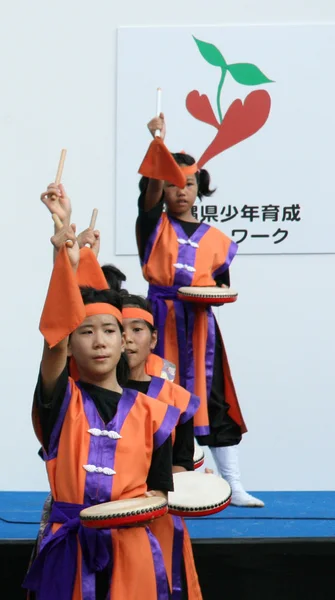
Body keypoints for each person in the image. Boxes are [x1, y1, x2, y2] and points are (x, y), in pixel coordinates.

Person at [24, 183, 180, 600]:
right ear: (72, 345)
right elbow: (53, 338)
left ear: (125, 341)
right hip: (69, 549)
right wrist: (64, 252)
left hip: (131, 553)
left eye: (110, 331)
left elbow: (159, 494)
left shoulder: (154, 413)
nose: (100, 341)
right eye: (86, 332)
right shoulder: (62, 401)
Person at [135, 114, 263, 508]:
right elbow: (149, 200)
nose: (181, 192)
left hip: (202, 331)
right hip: (161, 324)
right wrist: (158, 145)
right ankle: (167, 486)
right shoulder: (152, 228)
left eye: (188, 183)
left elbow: (223, 286)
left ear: (199, 187)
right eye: (172, 185)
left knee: (216, 398)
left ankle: (233, 484)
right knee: (162, 398)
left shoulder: (218, 240)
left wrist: (213, 295)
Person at [121, 292, 202, 600]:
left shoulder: (177, 399)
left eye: (137, 330)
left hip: (158, 514)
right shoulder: (88, 395)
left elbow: (181, 463)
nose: (128, 339)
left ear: (153, 339)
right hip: (106, 511)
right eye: (120, 329)